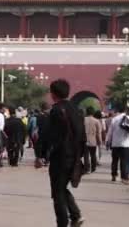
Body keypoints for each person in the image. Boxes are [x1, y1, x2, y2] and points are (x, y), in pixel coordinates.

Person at [35, 79, 86, 227]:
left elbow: (49, 135)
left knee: (57, 192)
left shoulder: (57, 110)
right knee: (61, 188)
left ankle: (63, 223)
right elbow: (82, 136)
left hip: (60, 158)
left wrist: (41, 155)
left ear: (53, 94)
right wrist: (79, 156)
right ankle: (75, 216)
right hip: (74, 157)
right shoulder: (76, 110)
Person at [106, 104, 129, 184]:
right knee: (124, 161)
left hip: (115, 143)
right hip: (125, 143)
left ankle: (114, 175)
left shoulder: (114, 119)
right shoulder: (128, 118)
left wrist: (108, 141)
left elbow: (110, 132)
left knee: (114, 160)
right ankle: (124, 178)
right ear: (125, 110)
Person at [84, 107, 102, 174]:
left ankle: (87, 168)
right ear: (93, 113)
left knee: (86, 155)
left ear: (86, 112)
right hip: (93, 141)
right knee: (93, 155)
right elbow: (98, 133)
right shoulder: (96, 121)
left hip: (84, 140)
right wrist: (99, 141)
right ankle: (93, 168)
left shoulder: (83, 120)